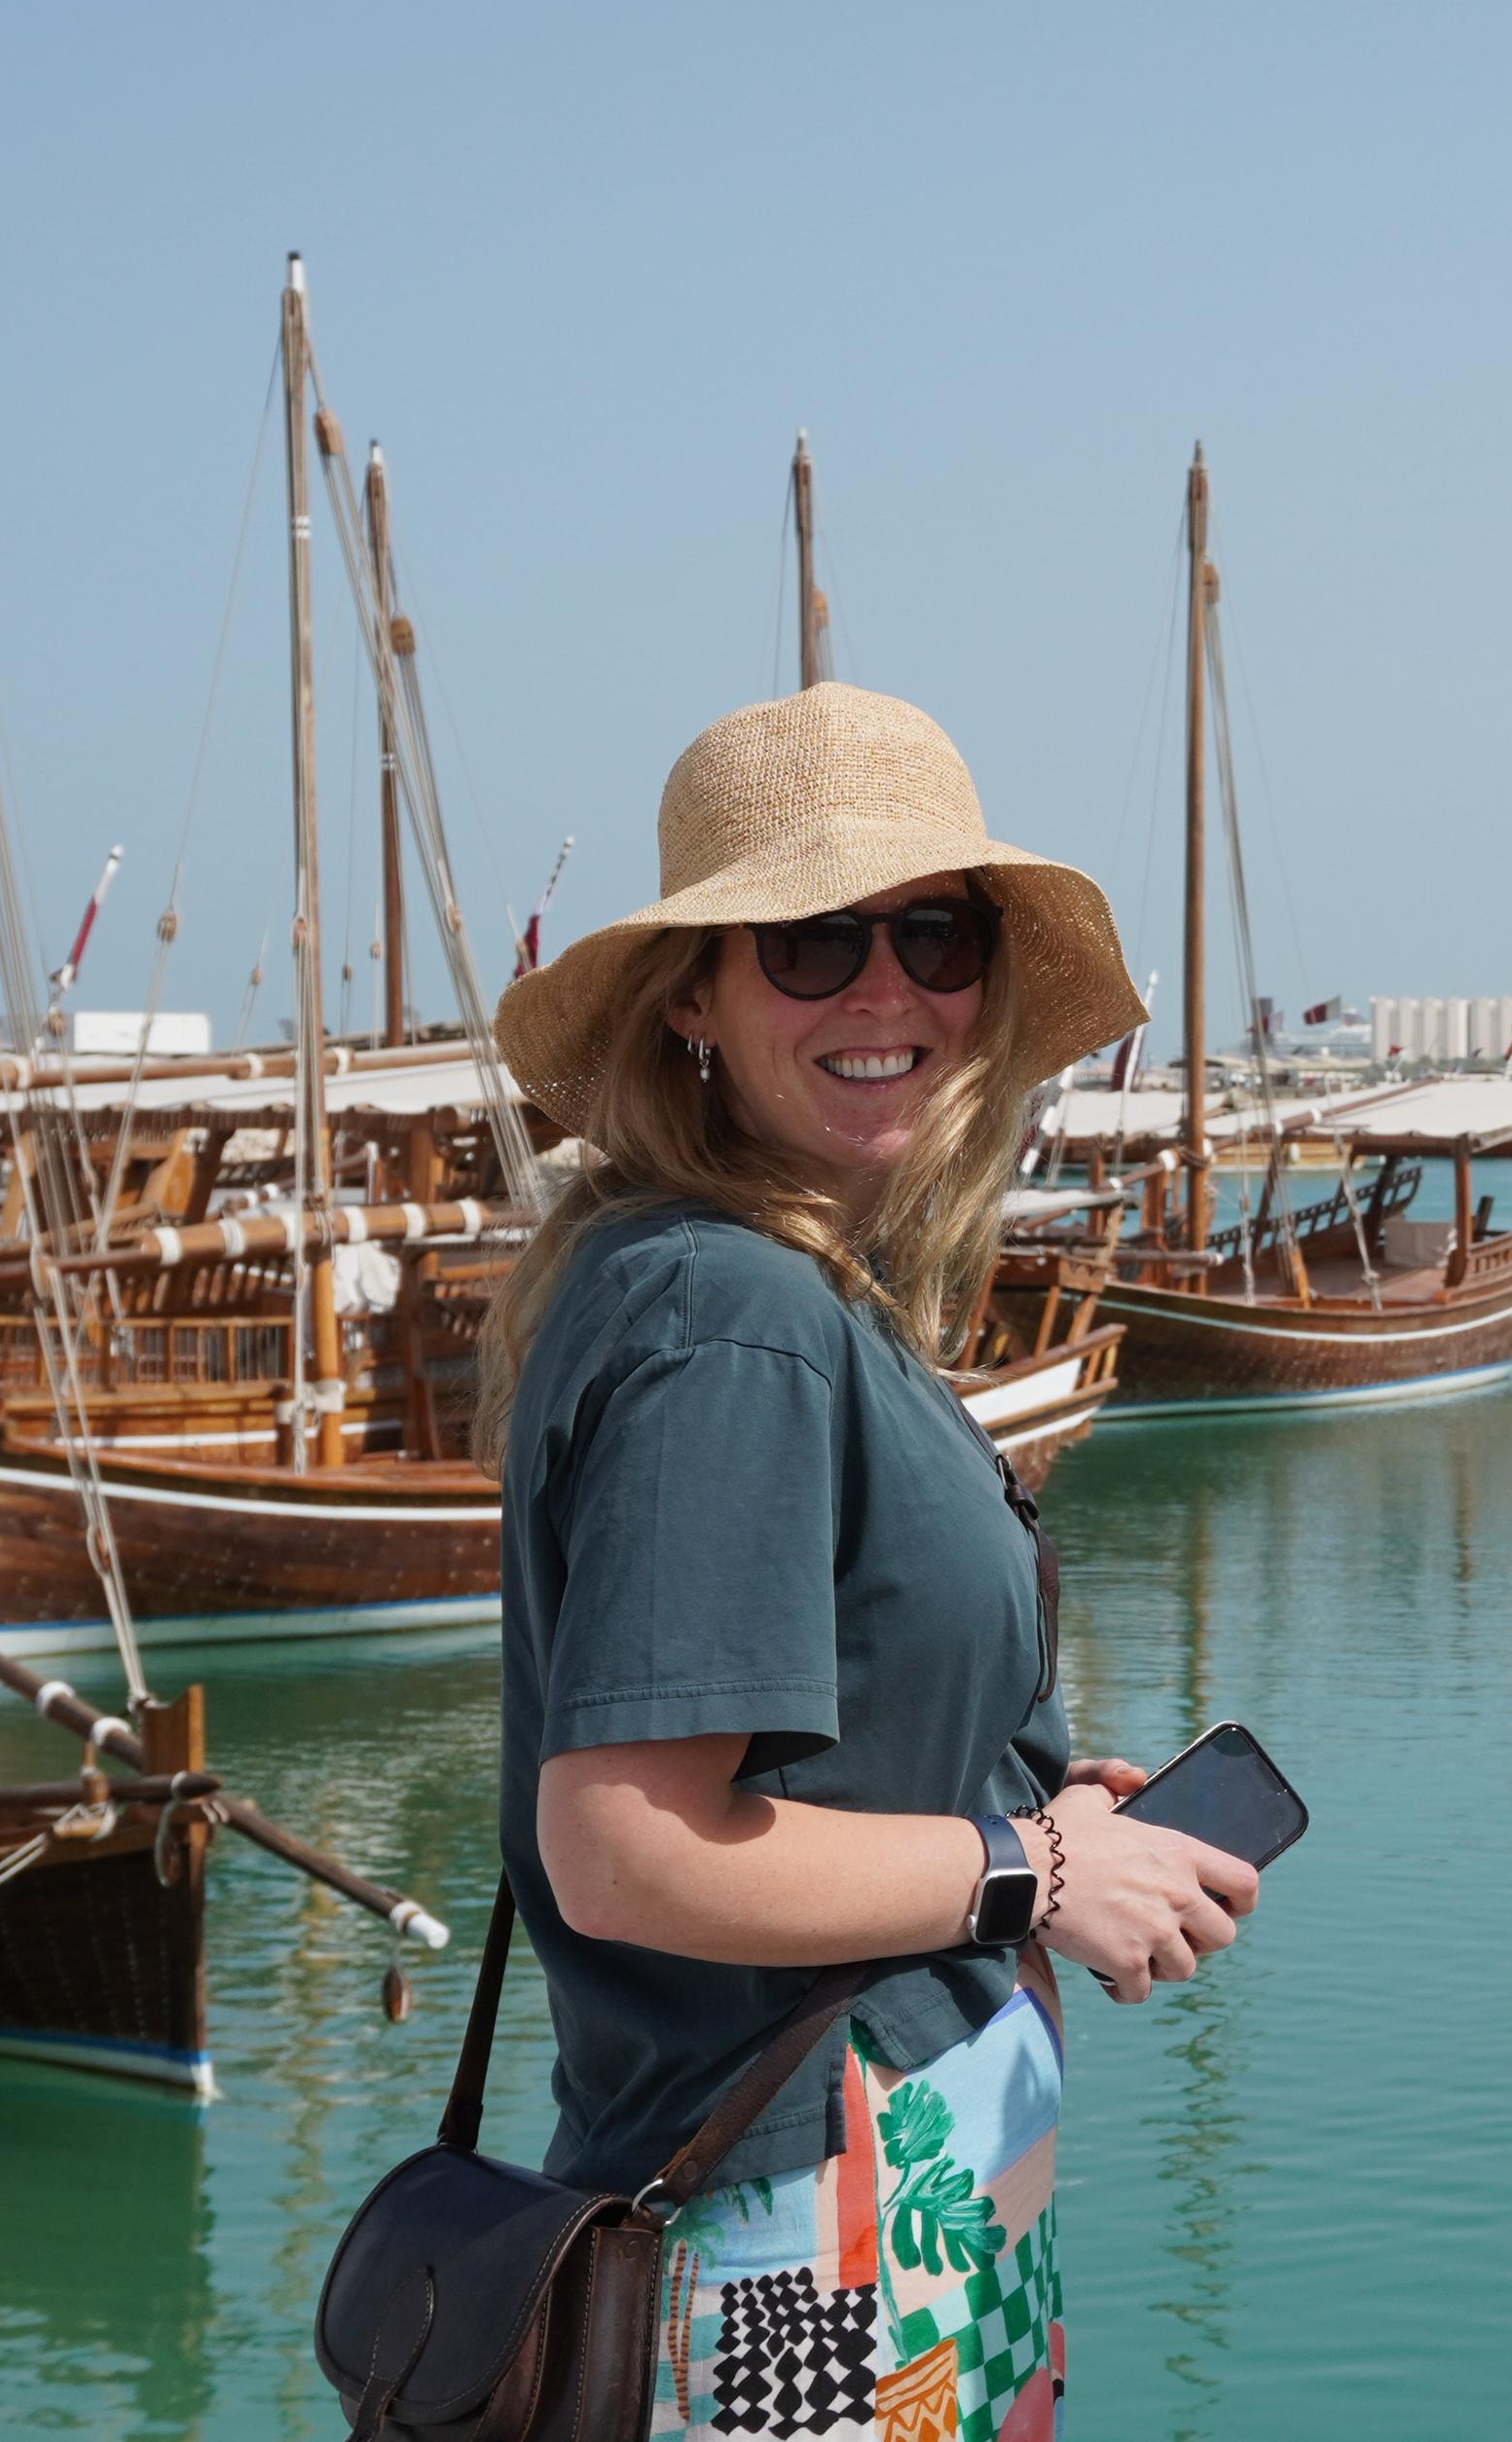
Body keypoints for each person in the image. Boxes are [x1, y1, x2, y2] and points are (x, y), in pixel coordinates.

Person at [484, 682, 1267, 2442]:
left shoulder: (784, 1286)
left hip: (890, 2197)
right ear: (693, 994)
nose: (886, 989)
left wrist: (1033, 1808)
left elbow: (809, 1756)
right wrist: (1031, 1868)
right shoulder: (735, 1315)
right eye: (814, 940)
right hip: (810, 2239)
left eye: (934, 933)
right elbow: (622, 1846)